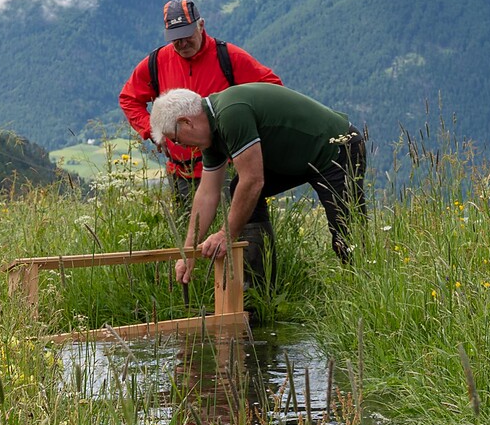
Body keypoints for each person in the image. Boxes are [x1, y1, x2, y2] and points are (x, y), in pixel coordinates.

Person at [118, 0, 282, 276]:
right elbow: (129, 98)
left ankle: (257, 295)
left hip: (229, 163)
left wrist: (246, 135)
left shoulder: (228, 57)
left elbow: (272, 89)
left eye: (187, 36)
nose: (181, 44)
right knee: (192, 236)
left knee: (246, 229)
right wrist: (154, 131)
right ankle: (205, 291)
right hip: (181, 171)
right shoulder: (156, 62)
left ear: (202, 25)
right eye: (175, 39)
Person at [149, 83, 367, 283]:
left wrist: (226, 234)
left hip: (337, 148)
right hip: (300, 158)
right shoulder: (212, 136)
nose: (181, 145)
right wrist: (188, 251)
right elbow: (207, 194)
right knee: (239, 192)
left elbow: (253, 180)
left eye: (176, 138)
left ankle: (363, 290)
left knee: (346, 233)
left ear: (186, 122)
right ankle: (258, 289)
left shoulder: (230, 113)